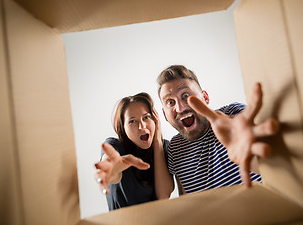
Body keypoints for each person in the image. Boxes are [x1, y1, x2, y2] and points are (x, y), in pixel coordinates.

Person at [157, 65, 278, 194]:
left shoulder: (234, 114)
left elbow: (273, 165)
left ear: (205, 98)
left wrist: (248, 152)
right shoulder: (175, 148)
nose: (180, 108)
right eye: (170, 102)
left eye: (186, 95)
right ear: (164, 114)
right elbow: (185, 196)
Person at [94, 92, 174, 210]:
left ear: (155, 120)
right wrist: (110, 172)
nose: (142, 126)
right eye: (132, 121)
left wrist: (157, 142)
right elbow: (111, 167)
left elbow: (164, 196)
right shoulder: (115, 146)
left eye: (146, 117)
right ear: (123, 128)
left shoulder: (165, 147)